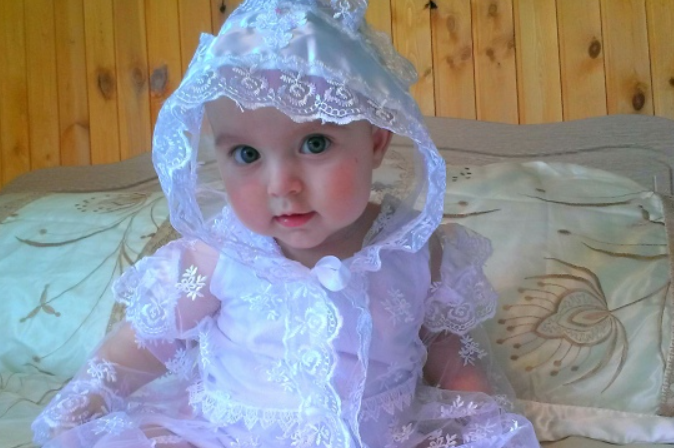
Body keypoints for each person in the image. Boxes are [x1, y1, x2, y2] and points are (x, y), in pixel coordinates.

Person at [32, 1, 540, 447]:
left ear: (376, 141)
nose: (282, 185)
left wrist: (480, 425)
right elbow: (143, 343)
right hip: (229, 438)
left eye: (315, 144)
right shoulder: (219, 253)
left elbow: (454, 358)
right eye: (247, 154)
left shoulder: (412, 249)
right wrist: (80, 408)